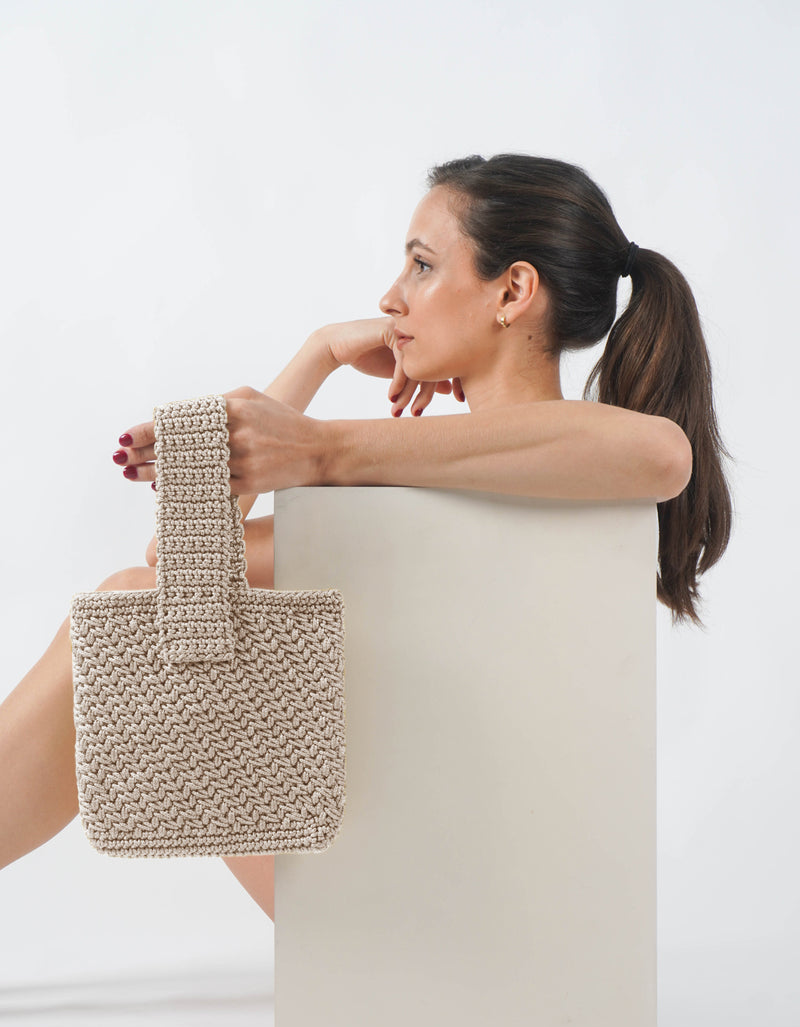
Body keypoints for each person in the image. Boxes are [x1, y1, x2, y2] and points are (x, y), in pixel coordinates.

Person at [0, 153, 734, 921]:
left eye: (422, 265)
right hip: (425, 878)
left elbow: (663, 453)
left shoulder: (593, 463)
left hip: (411, 898)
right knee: (138, 605)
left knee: (133, 607)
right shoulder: (408, 488)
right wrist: (319, 352)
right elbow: (179, 567)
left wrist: (322, 448)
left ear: (513, 291)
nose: (390, 298)